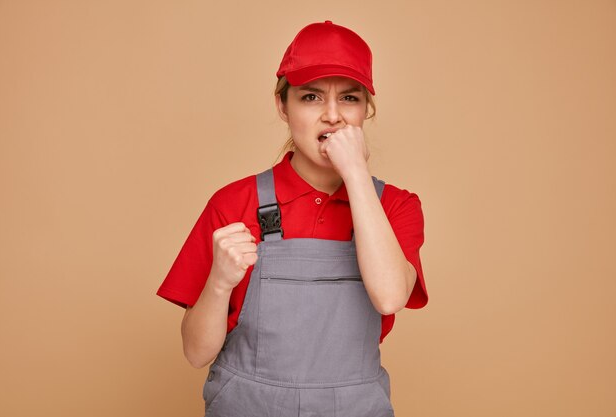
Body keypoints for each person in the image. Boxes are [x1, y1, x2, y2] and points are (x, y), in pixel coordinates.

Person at [157, 20, 429, 417]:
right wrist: (218, 283)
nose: (333, 116)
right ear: (282, 106)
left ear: (366, 110)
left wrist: (355, 176)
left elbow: (389, 296)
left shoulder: (395, 206)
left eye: (349, 98)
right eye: (312, 97)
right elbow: (196, 353)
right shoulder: (234, 202)